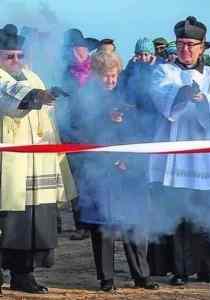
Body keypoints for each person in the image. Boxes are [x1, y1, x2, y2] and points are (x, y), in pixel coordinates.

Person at [147, 16, 210, 286]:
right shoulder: (163, 71)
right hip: (175, 156)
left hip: (207, 158)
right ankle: (180, 269)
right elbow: (163, 101)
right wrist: (183, 94)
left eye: (191, 44)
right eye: (180, 44)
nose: (185, 49)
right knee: (178, 212)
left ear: (202, 47)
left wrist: (204, 101)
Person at [0, 24, 77, 294]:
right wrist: (41, 97)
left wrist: (48, 96)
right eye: (9, 56)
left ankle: (24, 275)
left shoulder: (33, 76)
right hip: (8, 167)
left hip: (35, 164)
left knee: (32, 224)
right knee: (7, 223)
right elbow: (11, 100)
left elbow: (48, 116)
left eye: (20, 56)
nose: (16, 61)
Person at [74, 51, 159, 292]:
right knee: (105, 226)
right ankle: (107, 278)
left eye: (113, 75)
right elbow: (81, 134)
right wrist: (105, 120)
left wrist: (128, 160)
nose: (110, 81)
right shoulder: (85, 99)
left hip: (130, 166)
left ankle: (142, 275)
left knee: (136, 222)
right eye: (105, 77)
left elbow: (141, 128)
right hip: (102, 169)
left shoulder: (128, 93)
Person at [58, 28, 100, 241]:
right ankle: (81, 224)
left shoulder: (98, 70)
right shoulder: (66, 74)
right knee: (78, 181)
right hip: (72, 132)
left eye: (80, 48)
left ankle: (99, 221)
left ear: (86, 49)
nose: (77, 53)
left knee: (96, 178)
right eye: (72, 50)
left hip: (97, 131)